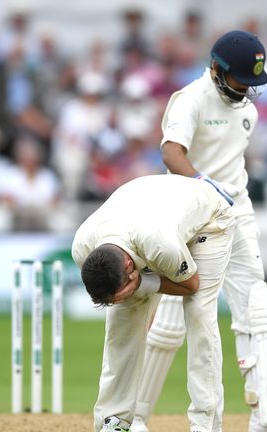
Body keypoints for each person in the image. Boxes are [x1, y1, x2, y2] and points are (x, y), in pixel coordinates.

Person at [131, 30, 267, 432]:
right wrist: (202, 186)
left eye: (253, 82)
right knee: (168, 325)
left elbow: (233, 165)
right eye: (240, 80)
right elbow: (170, 151)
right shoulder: (191, 99)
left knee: (259, 311)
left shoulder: (248, 110)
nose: (247, 89)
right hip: (189, 216)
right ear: (216, 68)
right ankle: (134, 418)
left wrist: (226, 199)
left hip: (236, 215)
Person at [72, 174, 236, 432]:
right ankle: (114, 421)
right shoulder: (83, 247)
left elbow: (192, 284)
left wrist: (142, 284)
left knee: (198, 311)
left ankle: (206, 424)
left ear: (129, 265)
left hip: (209, 218)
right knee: (122, 318)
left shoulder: (160, 245)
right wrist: (129, 292)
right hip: (151, 203)